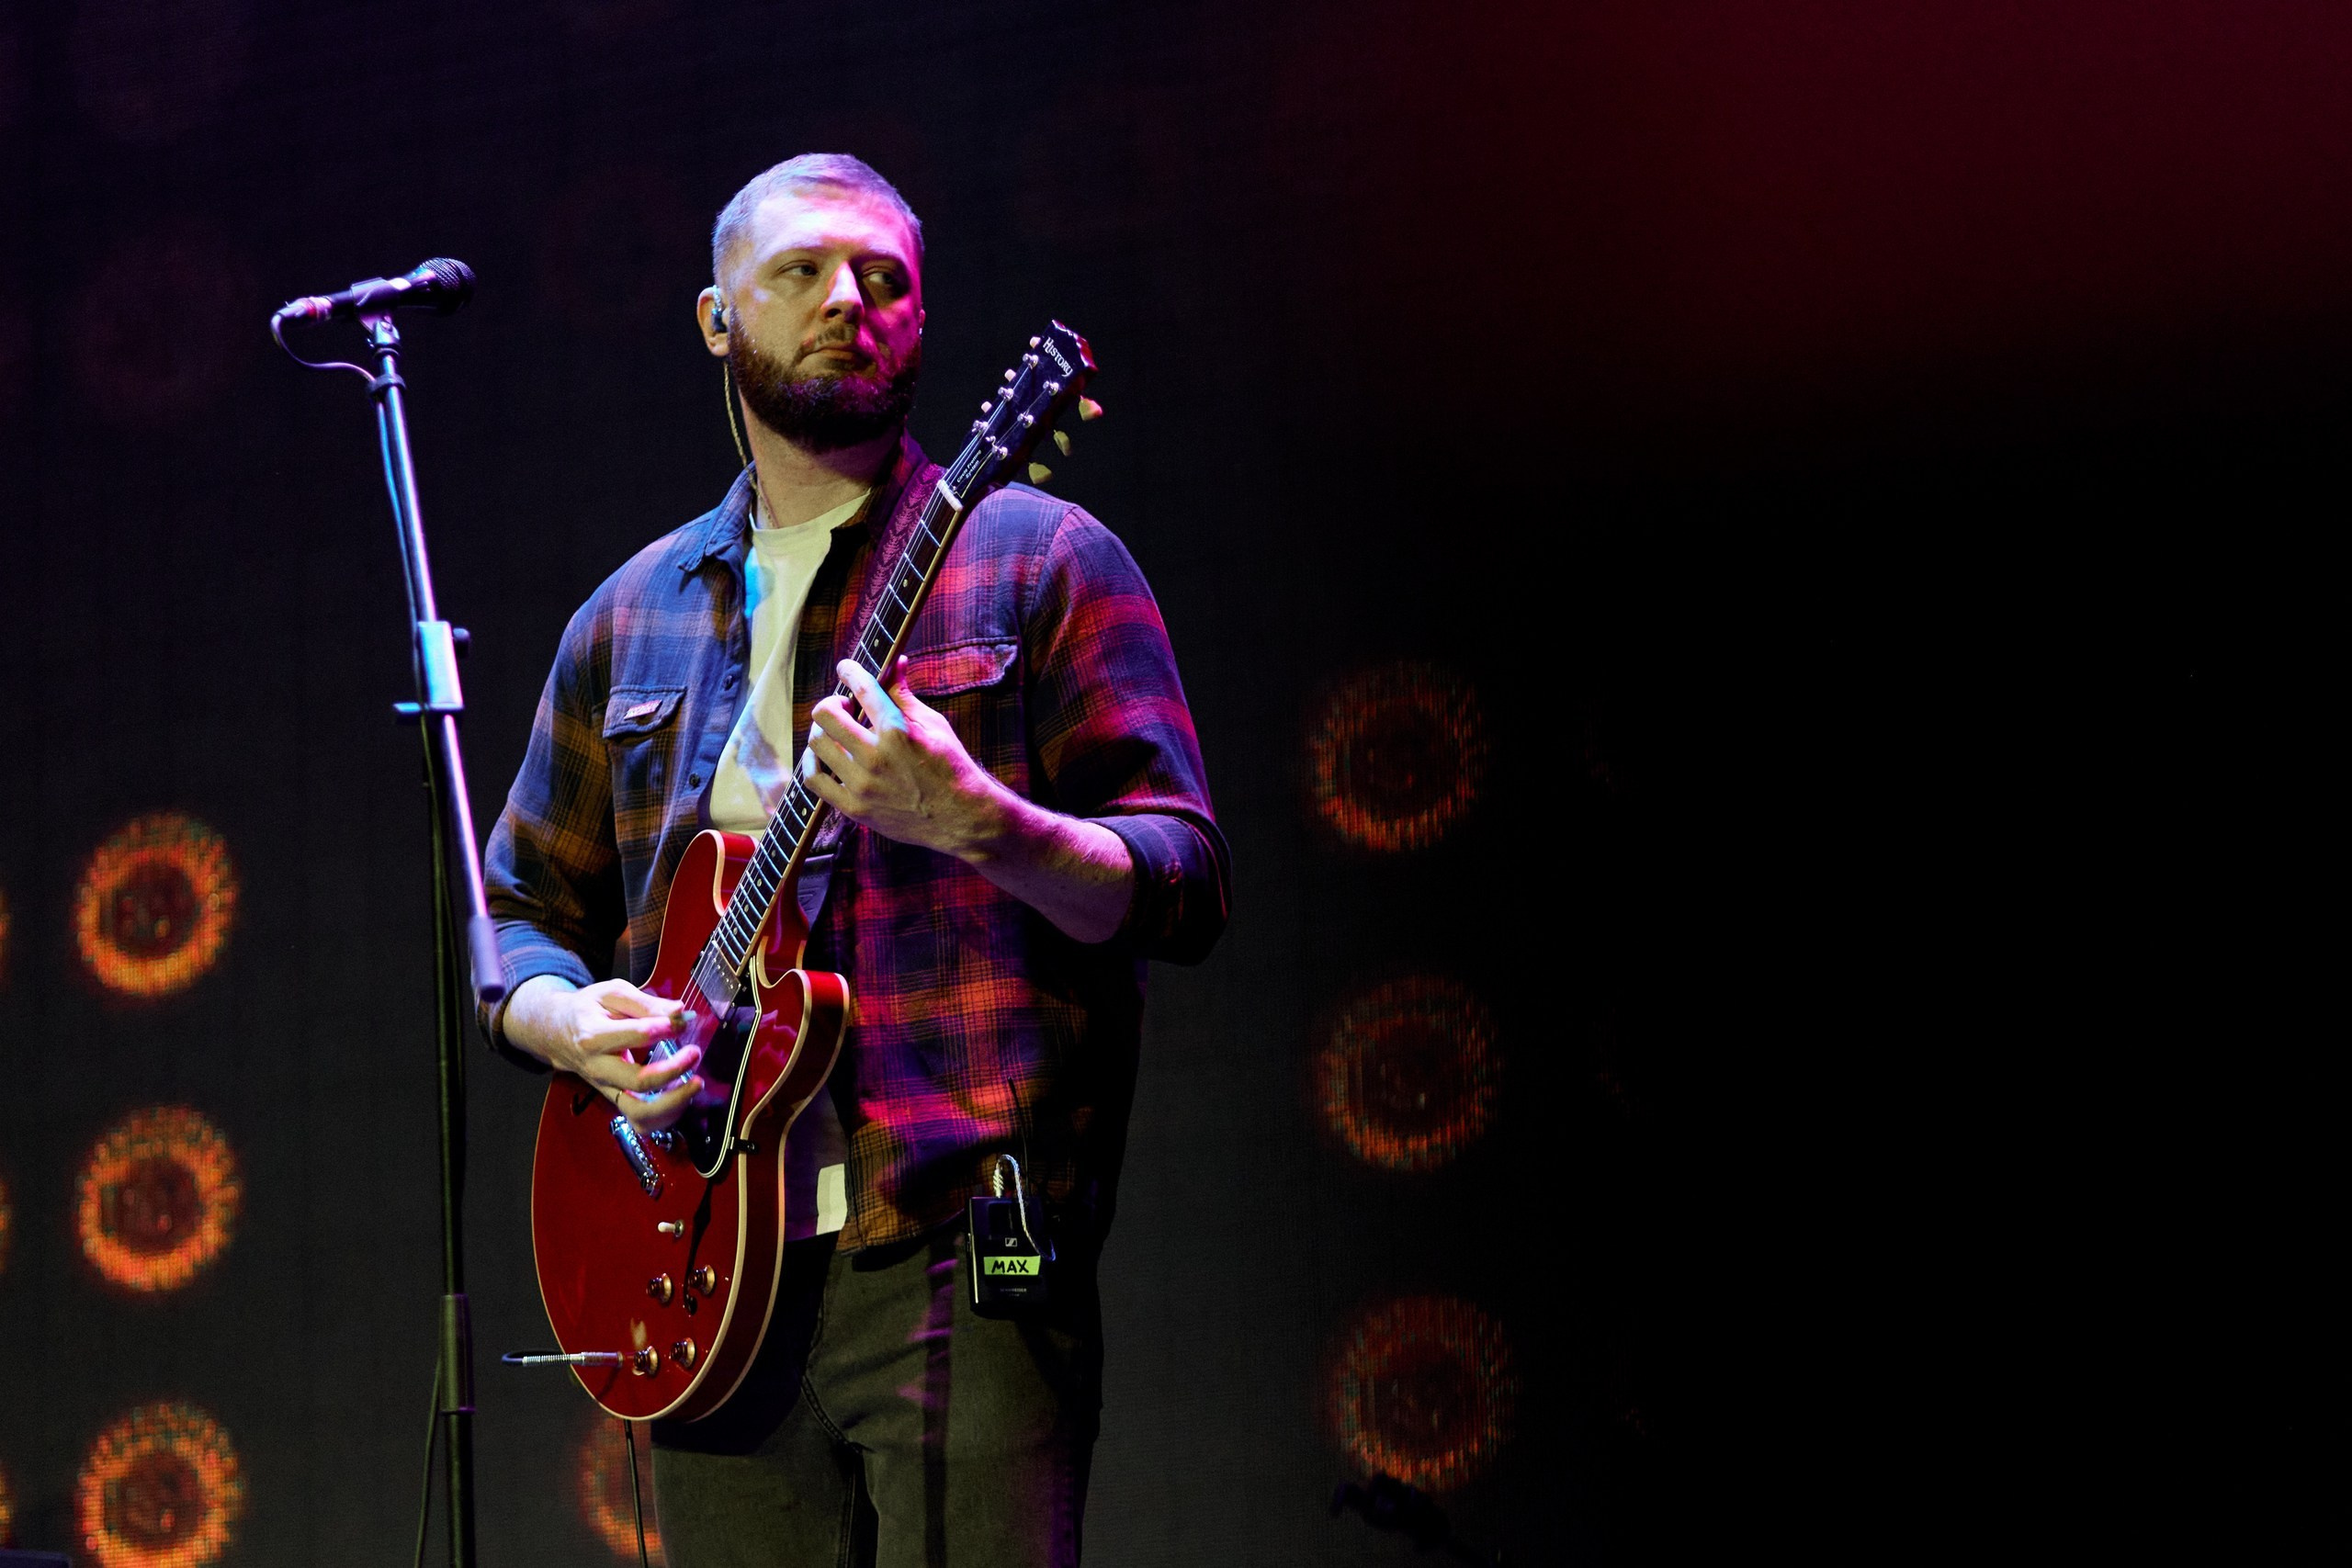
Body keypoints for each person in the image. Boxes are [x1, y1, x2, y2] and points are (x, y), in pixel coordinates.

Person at [479, 152, 1227, 1567]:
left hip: (955, 1248)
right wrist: (566, 1020)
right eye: (803, 272)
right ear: (717, 318)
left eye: (886, 279)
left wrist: (979, 821)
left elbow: (1185, 880)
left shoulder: (1038, 559)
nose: (849, 300)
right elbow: (510, 914)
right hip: (696, 1258)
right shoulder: (628, 617)